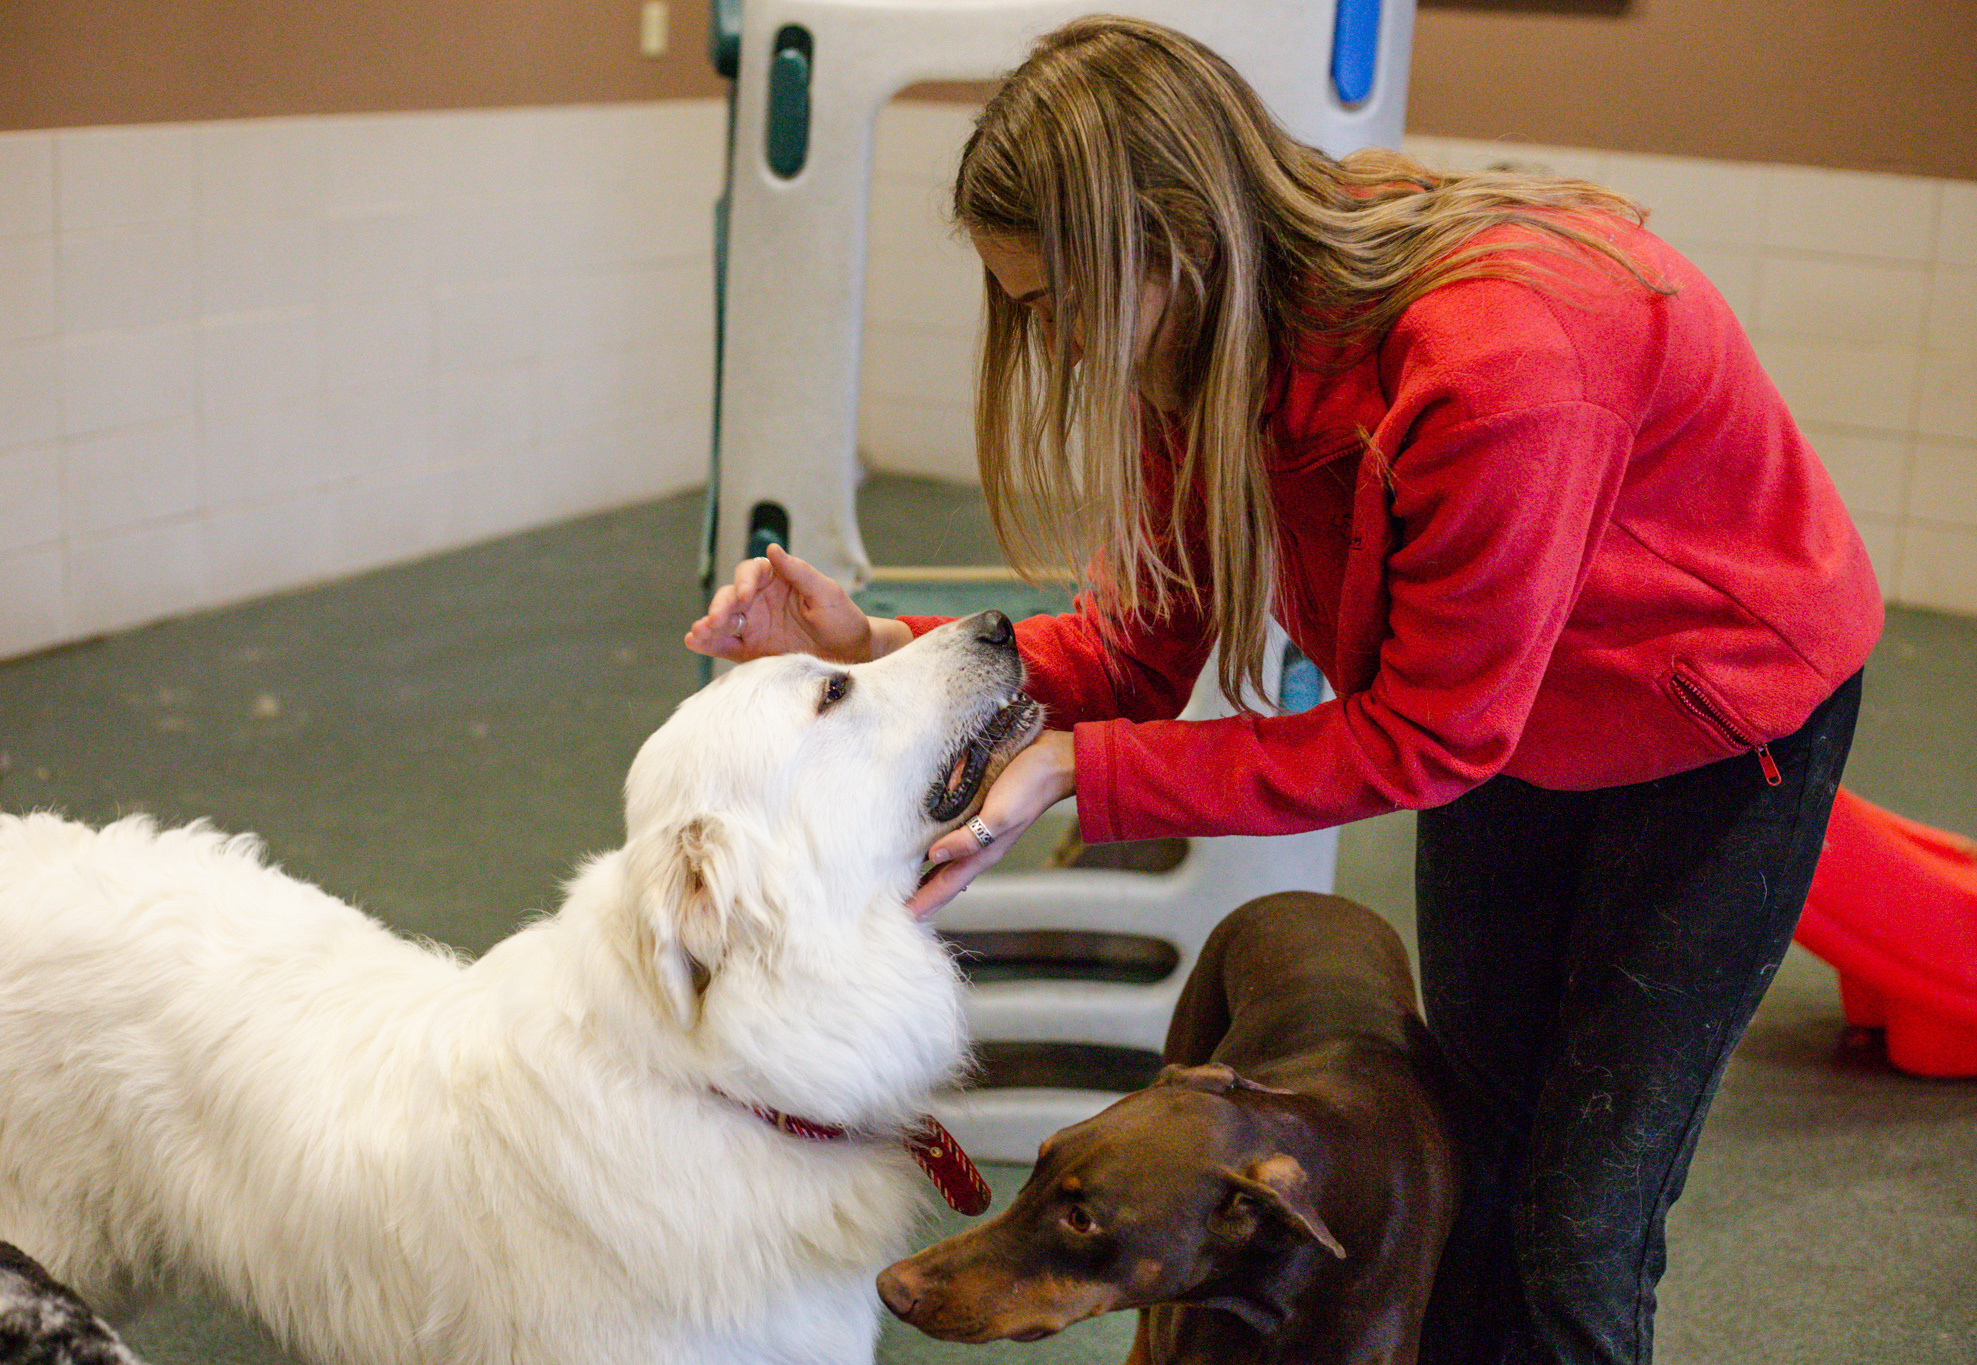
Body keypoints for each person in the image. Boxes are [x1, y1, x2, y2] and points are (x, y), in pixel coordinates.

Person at [686, 16, 1881, 1365]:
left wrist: (1090, 768)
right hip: (1506, 720)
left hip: (1710, 725)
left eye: (1062, 305)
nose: (1060, 346)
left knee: (1578, 1228)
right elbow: (1137, 646)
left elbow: (1427, 734)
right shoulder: (1203, 332)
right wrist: (875, 651)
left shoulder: (1498, 363)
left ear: (1172, 238)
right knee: (1475, 1155)